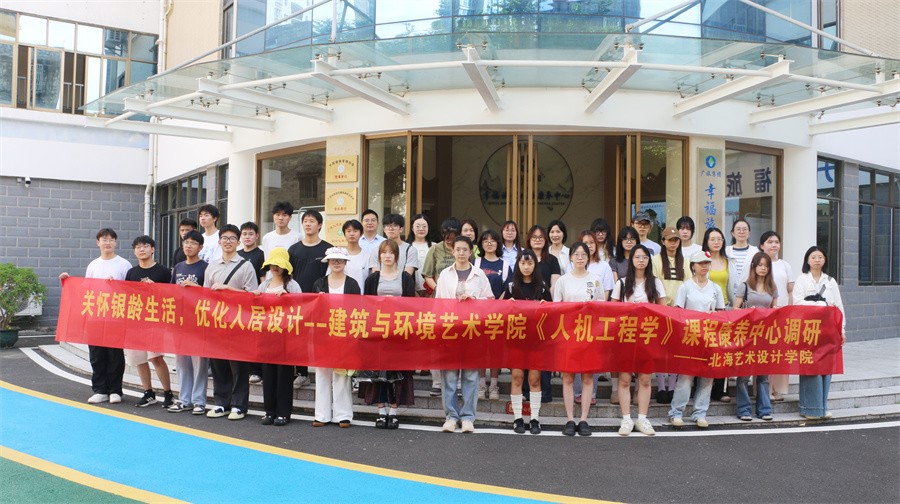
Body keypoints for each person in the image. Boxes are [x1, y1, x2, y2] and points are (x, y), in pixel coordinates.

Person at [59, 228, 131, 404]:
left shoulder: (124, 264)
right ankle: (100, 390)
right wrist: (68, 282)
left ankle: (115, 390)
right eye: (104, 239)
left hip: (116, 316)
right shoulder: (93, 265)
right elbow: (85, 290)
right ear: (98, 243)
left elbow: (131, 292)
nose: (108, 243)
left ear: (116, 243)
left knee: (115, 355)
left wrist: (117, 286)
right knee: (97, 355)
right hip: (96, 316)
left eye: (111, 239)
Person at [434, 236, 494, 433]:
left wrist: (474, 299)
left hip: (472, 330)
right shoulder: (445, 274)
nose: (461, 253)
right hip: (450, 330)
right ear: (453, 252)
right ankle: (451, 416)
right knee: (449, 377)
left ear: (471, 252)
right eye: (458, 249)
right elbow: (438, 302)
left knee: (470, 376)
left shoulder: (479, 274)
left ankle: (468, 417)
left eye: (465, 249)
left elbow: (490, 299)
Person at [203, 224, 259, 420]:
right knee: (218, 365)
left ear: (238, 242)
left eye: (232, 238)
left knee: (239, 366)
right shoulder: (212, 266)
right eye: (225, 238)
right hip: (217, 322)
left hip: (238, 323)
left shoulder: (246, 266)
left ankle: (239, 405)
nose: (228, 241)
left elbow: (253, 295)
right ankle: (221, 403)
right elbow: (205, 294)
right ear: (219, 242)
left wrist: (228, 289)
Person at [360, 240, 417, 429]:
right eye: (384, 252)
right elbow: (366, 305)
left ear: (396, 256)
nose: (387, 256)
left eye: (391, 252)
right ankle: (381, 411)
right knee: (379, 372)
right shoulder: (372, 279)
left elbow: (412, 306)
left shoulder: (405, 278)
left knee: (397, 373)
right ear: (379, 256)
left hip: (399, 332)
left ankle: (393, 411)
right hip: (378, 332)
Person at [610, 244, 666, 436]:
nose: (641, 260)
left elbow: (663, 310)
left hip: (648, 336)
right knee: (625, 379)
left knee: (645, 379)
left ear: (649, 260)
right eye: (637, 257)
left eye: (644, 257)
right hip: (626, 336)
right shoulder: (622, 283)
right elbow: (612, 311)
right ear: (631, 260)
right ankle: (626, 418)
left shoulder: (656, 283)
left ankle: (642, 418)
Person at [669, 250, 726, 429]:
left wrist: (713, 315)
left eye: (707, 263)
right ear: (693, 266)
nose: (704, 266)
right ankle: (676, 412)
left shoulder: (715, 288)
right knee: (686, 377)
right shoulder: (685, 287)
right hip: (690, 337)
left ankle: (700, 413)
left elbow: (721, 312)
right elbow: (678, 312)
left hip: (709, 337)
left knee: (707, 377)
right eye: (701, 263)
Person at [553, 242, 605, 437]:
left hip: (590, 334)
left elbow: (601, 307)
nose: (580, 257)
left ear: (588, 257)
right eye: (576, 254)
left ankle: (583, 419)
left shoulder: (596, 280)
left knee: (587, 377)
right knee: (568, 376)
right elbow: (556, 308)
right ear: (571, 257)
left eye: (584, 254)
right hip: (568, 333)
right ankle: (570, 419)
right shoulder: (563, 281)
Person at [501, 249, 550, 434]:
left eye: (530, 263)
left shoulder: (543, 288)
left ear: (535, 265)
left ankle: (535, 419)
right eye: (523, 263)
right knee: (517, 377)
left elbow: (552, 315)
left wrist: (546, 307)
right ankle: (518, 419)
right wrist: (508, 305)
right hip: (516, 339)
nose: (526, 267)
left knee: (534, 379)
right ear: (518, 265)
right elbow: (500, 313)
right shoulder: (511, 287)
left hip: (536, 341)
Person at [793, 246, 845, 420]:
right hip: (807, 330)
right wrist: (822, 304)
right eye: (813, 257)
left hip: (828, 330)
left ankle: (822, 408)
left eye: (820, 257)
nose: (817, 260)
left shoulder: (830, 281)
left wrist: (842, 329)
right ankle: (809, 409)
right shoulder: (801, 279)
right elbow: (797, 303)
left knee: (826, 368)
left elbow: (839, 306)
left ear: (825, 260)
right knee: (810, 366)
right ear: (807, 260)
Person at [312, 247, 361, 428]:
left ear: (346, 262)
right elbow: (313, 310)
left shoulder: (352, 284)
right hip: (323, 335)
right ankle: (321, 415)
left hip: (344, 334)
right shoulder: (319, 283)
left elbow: (358, 310)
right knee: (322, 374)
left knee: (342, 376)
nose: (337, 263)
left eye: (340, 260)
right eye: (333, 260)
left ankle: (343, 415)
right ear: (328, 262)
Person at [124, 235, 174, 408]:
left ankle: (168, 393)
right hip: (136, 321)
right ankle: (148, 392)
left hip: (155, 321)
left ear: (152, 249)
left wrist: (156, 289)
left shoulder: (163, 271)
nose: (142, 249)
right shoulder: (131, 273)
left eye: (145, 246)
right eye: (138, 247)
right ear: (134, 251)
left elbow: (171, 296)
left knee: (156, 357)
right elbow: (126, 295)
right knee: (139, 359)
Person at [253, 248, 301, 427]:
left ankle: (283, 413)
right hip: (267, 335)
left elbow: (301, 307)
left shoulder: (292, 285)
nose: (275, 267)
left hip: (285, 336)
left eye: (278, 265)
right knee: (268, 374)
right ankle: (269, 411)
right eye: (272, 264)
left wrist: (288, 298)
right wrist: (255, 297)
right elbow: (256, 307)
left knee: (284, 375)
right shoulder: (264, 285)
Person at [287, 209, 332, 388]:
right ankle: (302, 373)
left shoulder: (328, 249)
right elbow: (288, 276)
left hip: (321, 300)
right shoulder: (294, 249)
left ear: (319, 225)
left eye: (312, 221)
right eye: (305, 221)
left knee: (322, 336)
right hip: (298, 301)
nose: (308, 224)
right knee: (300, 337)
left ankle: (325, 370)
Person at [732, 251, 777, 422]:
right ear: (754, 267)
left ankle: (764, 409)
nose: (763, 268)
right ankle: (744, 409)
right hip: (747, 333)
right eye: (760, 265)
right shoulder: (744, 286)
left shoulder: (772, 287)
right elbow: (734, 309)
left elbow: (775, 309)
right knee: (744, 374)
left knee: (763, 375)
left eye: (766, 266)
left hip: (765, 335)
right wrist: (748, 311)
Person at [571, 229, 614, 406]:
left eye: (591, 243)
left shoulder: (602, 269)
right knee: (575, 358)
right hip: (573, 323)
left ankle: (592, 393)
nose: (588, 247)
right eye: (584, 243)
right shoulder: (571, 270)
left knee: (593, 358)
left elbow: (604, 295)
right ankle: (578, 392)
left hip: (594, 320)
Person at [169, 230, 209, 414]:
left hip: (199, 321)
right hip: (180, 321)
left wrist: (196, 287)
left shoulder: (206, 267)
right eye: (186, 242)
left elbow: (210, 294)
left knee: (199, 363)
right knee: (182, 363)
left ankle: (199, 401)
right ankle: (184, 400)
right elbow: (171, 292)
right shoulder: (178, 267)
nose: (189, 245)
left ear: (200, 247)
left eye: (193, 243)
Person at [422, 218, 461, 396]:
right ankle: (437, 381)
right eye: (447, 235)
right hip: (438, 302)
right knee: (436, 342)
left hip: (460, 303)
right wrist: (440, 289)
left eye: (454, 235)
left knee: (458, 342)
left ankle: (458, 382)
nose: (450, 239)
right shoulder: (435, 249)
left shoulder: (462, 248)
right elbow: (427, 275)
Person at [651, 227, 690, 404]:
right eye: (670, 240)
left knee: (675, 350)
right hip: (661, 309)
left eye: (676, 240)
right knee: (661, 350)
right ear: (663, 241)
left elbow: (688, 284)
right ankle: (661, 386)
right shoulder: (655, 260)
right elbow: (654, 282)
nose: (673, 243)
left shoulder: (685, 261)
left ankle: (672, 387)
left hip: (679, 310)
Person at [474, 229, 512, 400]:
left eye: (493, 240)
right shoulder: (476, 262)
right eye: (485, 240)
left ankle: (494, 385)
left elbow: (507, 289)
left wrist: (497, 306)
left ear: (498, 243)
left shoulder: (505, 265)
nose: (489, 243)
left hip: (498, 313)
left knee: (495, 350)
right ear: (481, 244)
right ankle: (482, 385)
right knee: (481, 349)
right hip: (478, 313)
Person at [759, 230, 795, 401]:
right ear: (762, 245)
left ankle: (776, 389)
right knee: (764, 353)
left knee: (779, 352)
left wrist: (790, 311)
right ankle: (764, 390)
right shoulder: (758, 263)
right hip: (763, 314)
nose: (774, 245)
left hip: (782, 313)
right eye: (769, 242)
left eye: (776, 242)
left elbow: (790, 291)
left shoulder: (785, 265)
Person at [702, 226, 734, 402]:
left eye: (719, 239)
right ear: (706, 241)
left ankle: (720, 389)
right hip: (704, 311)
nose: (716, 242)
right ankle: (700, 387)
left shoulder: (728, 261)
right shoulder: (701, 259)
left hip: (724, 310)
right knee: (704, 349)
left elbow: (733, 287)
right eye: (712, 239)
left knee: (722, 350)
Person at [725, 218, 759, 298]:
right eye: (738, 229)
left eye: (745, 229)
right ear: (732, 233)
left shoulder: (755, 252)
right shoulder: (726, 251)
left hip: (750, 294)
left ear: (749, 233)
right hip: (729, 295)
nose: (741, 232)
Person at [525, 225, 561, 291]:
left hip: (546, 296)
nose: (537, 240)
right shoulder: (523, 258)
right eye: (534, 237)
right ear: (529, 240)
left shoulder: (553, 260)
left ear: (545, 240)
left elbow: (554, 286)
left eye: (541, 237)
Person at [407, 213, 432, 296]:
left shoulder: (435, 247)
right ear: (412, 228)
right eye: (417, 226)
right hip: (411, 291)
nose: (421, 229)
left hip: (431, 291)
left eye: (424, 226)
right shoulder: (406, 247)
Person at [342, 219, 370, 289]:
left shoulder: (367, 256)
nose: (352, 234)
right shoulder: (339, 255)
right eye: (348, 231)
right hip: (342, 294)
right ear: (344, 234)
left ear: (361, 234)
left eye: (355, 231)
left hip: (361, 293)